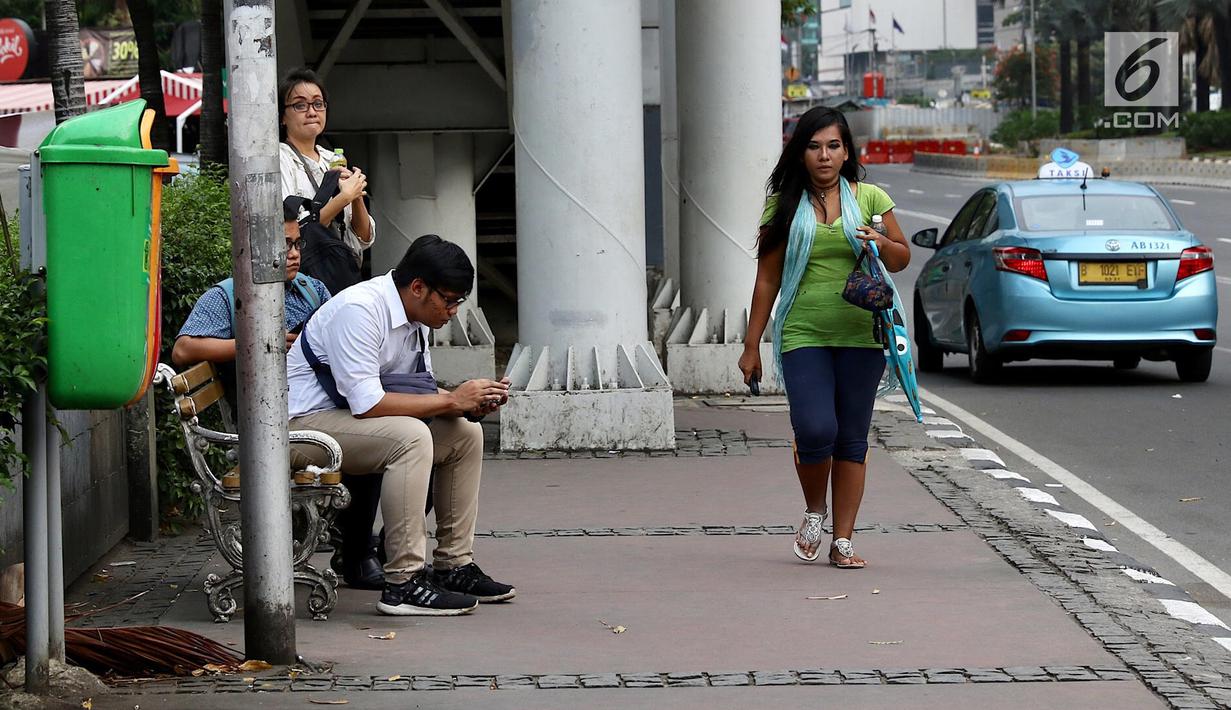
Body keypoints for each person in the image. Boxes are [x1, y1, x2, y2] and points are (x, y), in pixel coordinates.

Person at [286, 235, 514, 616]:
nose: (454, 311)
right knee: (410, 438)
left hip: (347, 422)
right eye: (450, 300)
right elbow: (369, 403)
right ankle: (403, 583)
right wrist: (451, 399)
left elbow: (414, 391)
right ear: (418, 287)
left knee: (464, 435)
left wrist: (466, 406)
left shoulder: (415, 316)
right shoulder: (360, 310)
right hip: (301, 427)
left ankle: (452, 566)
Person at [737, 107, 910, 570]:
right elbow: (767, 281)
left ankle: (844, 540)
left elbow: (901, 259)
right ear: (800, 153)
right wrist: (752, 344)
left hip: (862, 335)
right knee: (816, 429)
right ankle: (815, 511)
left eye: (833, 145)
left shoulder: (871, 196)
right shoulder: (783, 205)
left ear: (847, 151)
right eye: (814, 146)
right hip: (802, 333)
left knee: (851, 438)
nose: (824, 155)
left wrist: (878, 239)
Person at [172, 196, 329, 371]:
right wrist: (260, 344)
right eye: (285, 245)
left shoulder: (314, 290)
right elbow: (182, 350)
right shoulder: (227, 296)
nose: (294, 254)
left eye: (298, 244)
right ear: (257, 247)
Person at [278, 67, 375, 270]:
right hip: (305, 276)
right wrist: (343, 198)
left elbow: (364, 238)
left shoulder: (334, 159)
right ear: (282, 116)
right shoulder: (279, 158)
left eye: (318, 104)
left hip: (340, 274)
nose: (312, 112)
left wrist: (356, 196)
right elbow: (294, 231)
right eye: (300, 105)